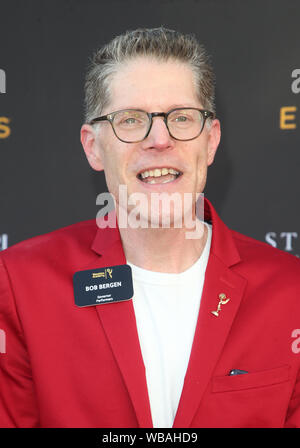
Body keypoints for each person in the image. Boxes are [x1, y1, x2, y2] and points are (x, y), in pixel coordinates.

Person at [0, 27, 300, 429]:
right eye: (131, 119)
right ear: (93, 146)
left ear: (210, 142)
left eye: (180, 117)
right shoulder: (20, 283)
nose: (159, 139)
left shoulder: (290, 290)